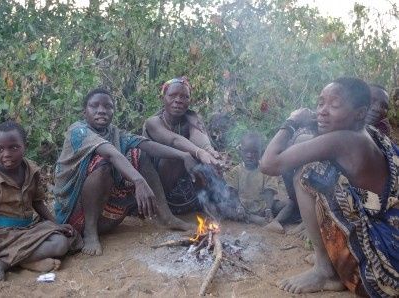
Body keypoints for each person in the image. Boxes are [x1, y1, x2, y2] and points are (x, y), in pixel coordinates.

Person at [260, 77, 398, 296]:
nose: (323, 111)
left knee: (307, 174)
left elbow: (268, 164)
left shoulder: (343, 141)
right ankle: (333, 258)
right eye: (320, 103)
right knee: (313, 160)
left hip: (381, 264)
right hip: (389, 234)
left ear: (360, 113)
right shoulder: (367, 133)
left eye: (334, 105)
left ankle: (326, 271)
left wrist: (292, 120)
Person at [53, 88, 198, 256]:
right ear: (84, 111)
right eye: (95, 106)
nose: (102, 110)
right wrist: (139, 181)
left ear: (113, 111)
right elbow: (110, 153)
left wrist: (184, 155)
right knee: (103, 163)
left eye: (108, 106)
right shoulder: (78, 131)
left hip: (105, 212)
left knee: (140, 154)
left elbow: (146, 144)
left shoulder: (114, 132)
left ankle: (166, 217)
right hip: (75, 214)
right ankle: (90, 233)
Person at [0, 121, 82, 282]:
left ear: (25, 146)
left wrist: (55, 224)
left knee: (63, 240)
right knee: (58, 246)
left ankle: (26, 261)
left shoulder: (31, 171)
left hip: (27, 228)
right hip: (1, 234)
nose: (6, 154)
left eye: (14, 147)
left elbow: (37, 202)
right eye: (0, 149)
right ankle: (1, 264)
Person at [143, 77, 226, 214]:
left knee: (209, 162)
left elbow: (197, 135)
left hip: (187, 180)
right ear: (163, 98)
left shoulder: (192, 118)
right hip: (159, 183)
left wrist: (209, 151)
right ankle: (164, 207)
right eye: (172, 95)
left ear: (189, 101)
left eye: (184, 97)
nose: (178, 100)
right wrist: (199, 152)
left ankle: (211, 203)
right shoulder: (153, 122)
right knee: (177, 155)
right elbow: (174, 140)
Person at [225, 132, 295, 233]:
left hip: (263, 207)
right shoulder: (236, 171)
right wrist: (238, 206)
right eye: (246, 151)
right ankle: (258, 220)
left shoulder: (265, 169)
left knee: (290, 204)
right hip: (244, 208)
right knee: (225, 207)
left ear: (261, 152)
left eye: (254, 152)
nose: (250, 155)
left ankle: (273, 222)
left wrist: (268, 209)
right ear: (241, 151)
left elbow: (269, 191)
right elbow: (232, 191)